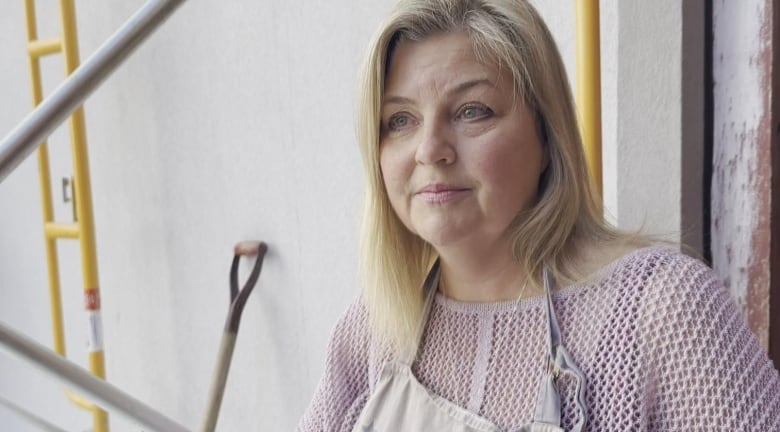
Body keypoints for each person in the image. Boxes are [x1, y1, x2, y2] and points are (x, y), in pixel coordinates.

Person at [298, 0, 780, 430]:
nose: (430, 150)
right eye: (400, 120)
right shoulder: (374, 328)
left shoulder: (659, 311)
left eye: (472, 111)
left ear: (547, 137)